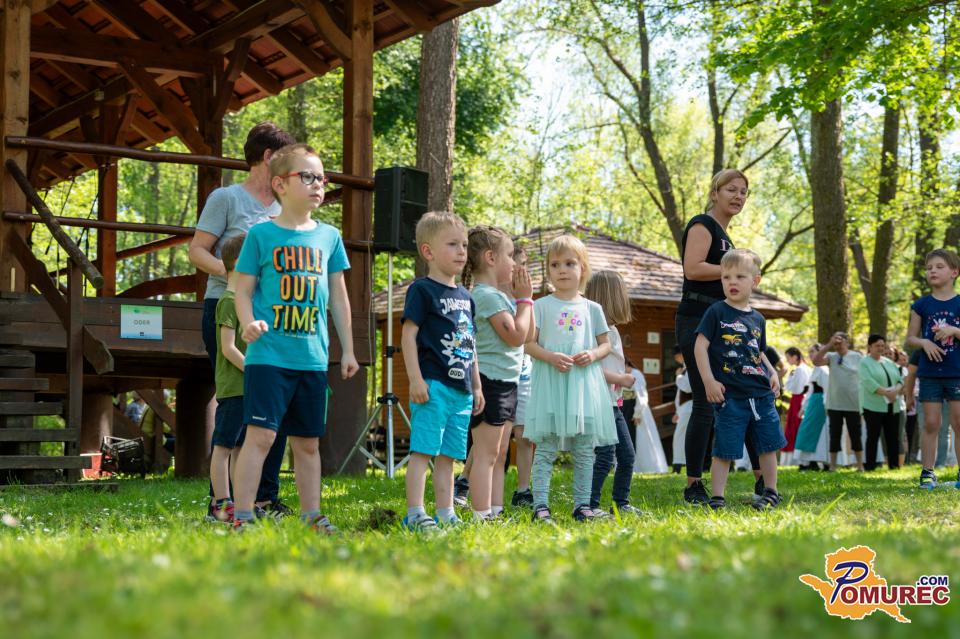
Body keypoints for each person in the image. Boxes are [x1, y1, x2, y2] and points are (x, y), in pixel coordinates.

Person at [231, 143, 359, 533]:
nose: (318, 184)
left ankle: (312, 516)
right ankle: (242, 516)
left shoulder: (330, 237)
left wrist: (348, 349)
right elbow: (241, 291)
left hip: (312, 360)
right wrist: (247, 324)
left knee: (307, 443)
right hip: (268, 357)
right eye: (307, 176)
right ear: (280, 185)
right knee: (261, 437)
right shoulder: (260, 235)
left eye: (321, 177)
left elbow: (339, 297)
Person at [188, 122, 296, 517]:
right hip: (227, 310)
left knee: (276, 405)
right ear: (267, 157)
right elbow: (197, 251)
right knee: (238, 403)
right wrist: (236, 276)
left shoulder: (286, 207)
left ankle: (265, 497)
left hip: (273, 319)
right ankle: (224, 501)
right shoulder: (227, 198)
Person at [676, 169, 760, 505]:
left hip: (724, 323)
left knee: (741, 396)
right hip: (697, 319)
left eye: (743, 192)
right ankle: (694, 484)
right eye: (731, 190)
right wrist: (737, 270)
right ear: (715, 193)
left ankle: (762, 479)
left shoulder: (727, 238)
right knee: (704, 401)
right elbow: (693, 268)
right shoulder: (703, 225)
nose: (738, 196)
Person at [523, 235, 617, 523]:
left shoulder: (592, 308)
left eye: (569, 263)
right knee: (546, 447)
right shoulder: (540, 306)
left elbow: (606, 344)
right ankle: (540, 505)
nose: (562, 270)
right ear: (548, 271)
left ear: (582, 268)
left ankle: (582, 506)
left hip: (583, 388)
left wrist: (593, 353)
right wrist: (550, 356)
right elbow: (528, 344)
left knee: (585, 448)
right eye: (555, 265)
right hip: (551, 385)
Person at [401, 212, 483, 531]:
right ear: (428, 251)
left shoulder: (467, 298)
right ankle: (415, 513)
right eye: (452, 244)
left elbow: (470, 345)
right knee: (423, 451)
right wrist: (415, 379)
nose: (462, 251)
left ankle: (445, 512)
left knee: (449, 456)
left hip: (461, 392)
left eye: (464, 245)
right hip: (432, 385)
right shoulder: (422, 291)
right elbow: (408, 336)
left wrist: (477, 386)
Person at [693, 249, 784, 510]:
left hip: (761, 395)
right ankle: (717, 498)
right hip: (730, 397)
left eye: (740, 277)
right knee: (724, 449)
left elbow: (759, 352)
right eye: (726, 277)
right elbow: (700, 346)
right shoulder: (716, 312)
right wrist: (709, 381)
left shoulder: (758, 318)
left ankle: (771, 492)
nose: (732, 282)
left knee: (768, 446)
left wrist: (773, 372)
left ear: (755, 281)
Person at [462, 225, 532, 521]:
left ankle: (496, 510)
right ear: (491, 258)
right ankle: (481, 514)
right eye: (509, 255)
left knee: (500, 454)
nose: (514, 263)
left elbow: (526, 335)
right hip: (490, 382)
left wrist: (522, 300)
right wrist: (525, 300)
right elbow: (516, 336)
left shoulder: (499, 297)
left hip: (508, 382)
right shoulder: (486, 296)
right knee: (486, 454)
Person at [586, 270, 642, 517]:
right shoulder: (595, 332)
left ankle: (621, 503)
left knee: (627, 455)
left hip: (613, 403)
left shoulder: (613, 330)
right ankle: (590, 505)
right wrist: (621, 379)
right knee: (605, 456)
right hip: (600, 403)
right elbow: (592, 368)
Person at [905, 248, 960, 489]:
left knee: (959, 423)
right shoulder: (921, 305)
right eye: (929, 268)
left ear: (954, 272)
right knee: (931, 423)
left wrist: (954, 331)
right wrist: (924, 342)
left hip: (957, 372)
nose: (932, 271)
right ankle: (927, 473)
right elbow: (910, 338)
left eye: (939, 267)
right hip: (929, 374)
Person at [206, 233, 248, 524]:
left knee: (241, 448)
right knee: (223, 447)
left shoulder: (246, 303)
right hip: (234, 388)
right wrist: (253, 371)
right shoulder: (228, 301)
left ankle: (240, 502)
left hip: (248, 388)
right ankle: (220, 504)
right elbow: (228, 347)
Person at [813, 332, 864, 471]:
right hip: (834, 404)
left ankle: (860, 465)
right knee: (834, 435)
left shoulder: (857, 356)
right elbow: (816, 361)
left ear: (847, 342)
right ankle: (833, 466)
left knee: (855, 435)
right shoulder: (831, 356)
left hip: (853, 404)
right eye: (835, 341)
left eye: (840, 341)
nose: (837, 344)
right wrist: (828, 345)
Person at [859, 334, 903, 471]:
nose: (880, 348)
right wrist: (886, 393)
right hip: (873, 406)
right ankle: (870, 467)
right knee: (873, 437)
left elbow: (900, 379)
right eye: (877, 346)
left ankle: (894, 466)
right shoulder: (864, 362)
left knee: (893, 437)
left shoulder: (889, 362)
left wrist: (895, 391)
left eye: (882, 346)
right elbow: (868, 382)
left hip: (892, 405)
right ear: (869, 347)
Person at [793, 344, 830, 471]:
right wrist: (803, 407)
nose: (810, 354)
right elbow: (810, 391)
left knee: (818, 432)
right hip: (814, 403)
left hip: (820, 403)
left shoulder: (823, 369)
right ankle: (809, 461)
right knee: (807, 431)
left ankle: (819, 461)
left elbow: (827, 389)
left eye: (813, 351)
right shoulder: (816, 369)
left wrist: (826, 406)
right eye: (809, 352)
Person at [631, 366, 669, 474]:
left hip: (640, 411)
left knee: (643, 438)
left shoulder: (636, 374)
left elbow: (642, 395)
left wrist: (638, 413)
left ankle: (649, 467)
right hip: (629, 409)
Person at [672, 362, 693, 474]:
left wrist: (678, 376)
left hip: (689, 408)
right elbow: (679, 394)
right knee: (680, 437)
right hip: (684, 409)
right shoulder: (685, 369)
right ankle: (678, 464)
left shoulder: (690, 369)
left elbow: (687, 387)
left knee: (680, 436)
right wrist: (677, 411)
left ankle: (678, 465)